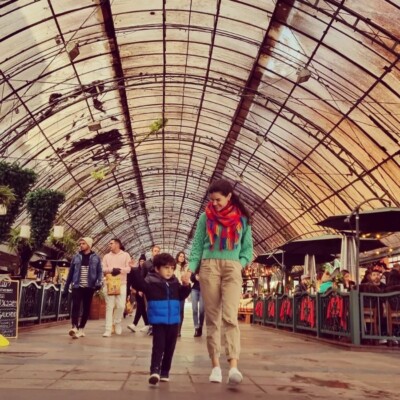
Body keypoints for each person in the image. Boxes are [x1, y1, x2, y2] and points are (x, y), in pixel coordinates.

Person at [188, 179, 253, 385]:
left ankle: (233, 366)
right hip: (209, 267)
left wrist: (240, 264)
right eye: (212, 200)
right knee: (212, 318)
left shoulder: (242, 219)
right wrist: (190, 269)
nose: (214, 203)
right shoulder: (204, 218)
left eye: (218, 199)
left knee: (230, 317)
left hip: (232, 267)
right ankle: (215, 366)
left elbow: (247, 249)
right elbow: (197, 246)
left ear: (229, 196)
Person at [134, 253, 191, 385]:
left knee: (170, 348)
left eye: (172, 268)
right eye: (166, 268)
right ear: (157, 268)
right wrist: (135, 269)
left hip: (174, 321)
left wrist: (186, 285)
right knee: (158, 346)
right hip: (158, 321)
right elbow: (139, 284)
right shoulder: (151, 282)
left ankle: (165, 372)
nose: (169, 271)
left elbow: (182, 295)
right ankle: (154, 370)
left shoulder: (175, 282)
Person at [63, 237, 103, 339]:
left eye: (83, 243)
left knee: (86, 308)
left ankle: (81, 328)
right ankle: (74, 327)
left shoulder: (96, 258)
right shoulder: (76, 257)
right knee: (75, 306)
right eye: (80, 244)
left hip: (90, 287)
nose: (81, 245)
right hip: (77, 286)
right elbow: (71, 273)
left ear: (89, 245)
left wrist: (99, 282)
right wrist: (66, 288)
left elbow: (100, 272)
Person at [102, 238, 131, 337]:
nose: (109, 245)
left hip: (122, 284)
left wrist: (119, 270)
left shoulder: (125, 255)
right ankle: (108, 329)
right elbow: (103, 268)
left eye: (111, 243)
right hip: (109, 283)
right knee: (109, 307)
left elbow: (129, 269)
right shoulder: (106, 256)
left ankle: (117, 322)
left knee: (121, 306)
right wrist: (112, 269)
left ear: (117, 244)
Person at [127, 254, 149, 332]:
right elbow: (133, 281)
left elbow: (145, 281)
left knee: (141, 307)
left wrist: (142, 290)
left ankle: (136, 324)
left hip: (144, 291)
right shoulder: (136, 270)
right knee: (141, 307)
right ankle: (146, 324)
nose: (142, 262)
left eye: (143, 261)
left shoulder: (146, 270)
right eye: (141, 261)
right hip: (137, 292)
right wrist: (134, 290)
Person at [175, 251, 189, 337]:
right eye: (180, 256)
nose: (182, 258)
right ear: (177, 257)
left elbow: (188, 279)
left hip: (182, 290)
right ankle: (174, 329)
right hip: (174, 289)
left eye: (183, 256)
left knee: (180, 310)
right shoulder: (173, 266)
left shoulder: (186, 268)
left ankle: (178, 330)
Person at [191, 266, 204, 337]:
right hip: (195, 289)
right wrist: (195, 277)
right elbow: (191, 278)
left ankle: (200, 326)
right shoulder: (195, 267)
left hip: (203, 290)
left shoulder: (207, 266)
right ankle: (196, 327)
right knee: (194, 309)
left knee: (202, 310)